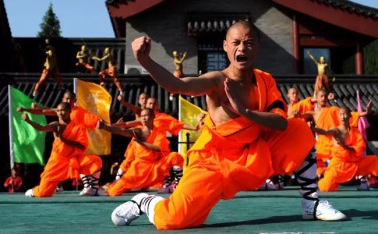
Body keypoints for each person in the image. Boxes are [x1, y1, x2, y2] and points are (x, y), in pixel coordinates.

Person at [111, 21, 346, 230]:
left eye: (248, 43)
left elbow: (281, 123)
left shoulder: (265, 80)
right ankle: (146, 201)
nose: (241, 48)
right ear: (225, 46)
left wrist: (245, 111)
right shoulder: (216, 81)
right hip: (212, 161)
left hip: (253, 150)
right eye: (236, 42)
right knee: (173, 220)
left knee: (300, 130)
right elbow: (176, 85)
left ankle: (311, 204)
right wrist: (146, 61)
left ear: (258, 48)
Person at [18, 90, 104, 194]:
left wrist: (64, 140)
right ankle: (37, 190)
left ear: (70, 110)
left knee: (95, 160)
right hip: (57, 161)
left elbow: (82, 145)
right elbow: (42, 121)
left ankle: (92, 188)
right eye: (58, 111)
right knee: (43, 193)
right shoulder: (56, 124)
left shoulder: (79, 123)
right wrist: (27, 116)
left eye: (70, 99)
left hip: (73, 159)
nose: (59, 113)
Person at [98, 108, 182, 196]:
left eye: (146, 116)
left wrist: (141, 143)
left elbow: (158, 148)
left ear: (153, 117)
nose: (144, 118)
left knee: (174, 156)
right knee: (113, 191)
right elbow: (121, 131)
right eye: (142, 116)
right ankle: (120, 185)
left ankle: (178, 185)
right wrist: (105, 127)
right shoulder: (138, 131)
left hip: (155, 167)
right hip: (138, 169)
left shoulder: (159, 131)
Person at [311, 105, 378, 192]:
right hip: (339, 165)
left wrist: (346, 146)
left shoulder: (355, 131)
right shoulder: (336, 130)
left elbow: (360, 146)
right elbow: (324, 131)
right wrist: (313, 128)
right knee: (325, 187)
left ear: (350, 116)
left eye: (345, 114)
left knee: (374, 160)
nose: (342, 117)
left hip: (354, 163)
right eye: (340, 115)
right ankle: (323, 175)